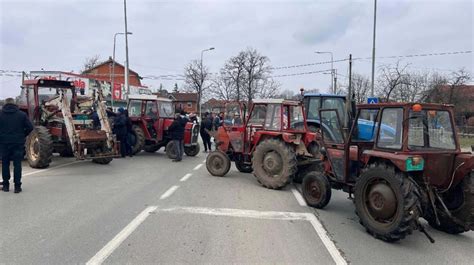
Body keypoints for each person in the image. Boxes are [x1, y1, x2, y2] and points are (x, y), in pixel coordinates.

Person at [0, 98, 33, 193]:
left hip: (4, 143)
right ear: (15, 104)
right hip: (18, 142)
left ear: (5, 104)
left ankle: (6, 186)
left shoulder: (0, 114)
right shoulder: (22, 115)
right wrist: (23, 135)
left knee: (5, 164)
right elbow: (30, 127)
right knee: (17, 164)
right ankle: (17, 186)